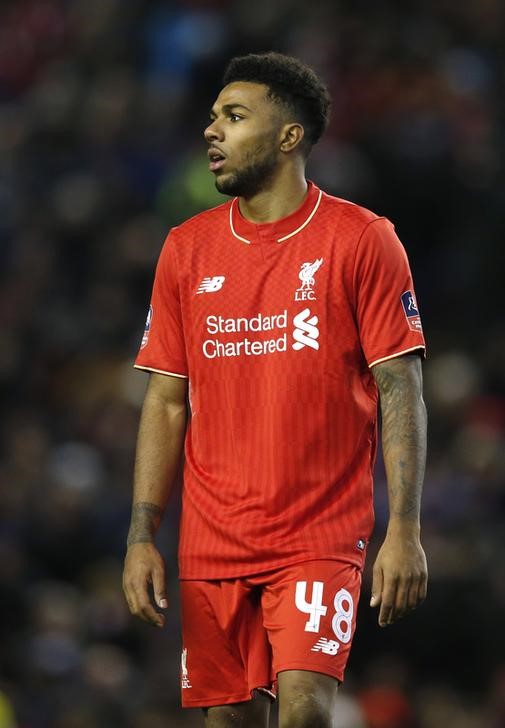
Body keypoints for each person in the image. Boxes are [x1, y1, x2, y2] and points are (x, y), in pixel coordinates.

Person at [122, 51, 428, 728]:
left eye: (234, 116)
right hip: (212, 540)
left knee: (303, 711)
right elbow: (167, 402)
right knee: (227, 721)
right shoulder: (185, 249)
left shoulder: (361, 239)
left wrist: (403, 528)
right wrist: (141, 534)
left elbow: (400, 389)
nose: (212, 131)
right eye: (211, 117)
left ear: (289, 137)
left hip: (319, 533)